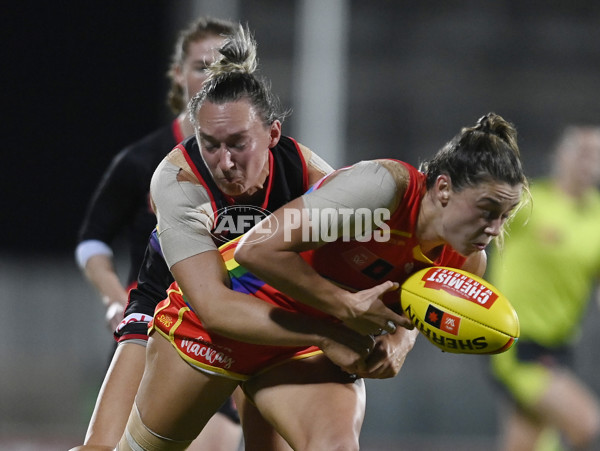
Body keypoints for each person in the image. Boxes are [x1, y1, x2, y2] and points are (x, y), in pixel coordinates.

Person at [117, 111, 528, 450]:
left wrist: (399, 345)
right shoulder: (383, 189)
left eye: (504, 217)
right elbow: (255, 250)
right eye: (486, 209)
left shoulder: (468, 262)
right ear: (443, 188)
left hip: (310, 345)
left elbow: (415, 315)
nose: (493, 227)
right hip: (234, 314)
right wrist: (343, 306)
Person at [71, 17, 246, 451]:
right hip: (149, 324)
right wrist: (115, 298)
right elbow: (92, 241)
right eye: (201, 65)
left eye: (223, 67)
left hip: (220, 331)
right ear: (178, 75)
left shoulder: (264, 163)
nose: (211, 76)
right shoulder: (142, 161)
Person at [488, 126, 600, 451]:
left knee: (529, 444)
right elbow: (475, 231)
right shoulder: (529, 202)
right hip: (515, 343)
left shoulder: (597, 217)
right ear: (560, 157)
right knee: (586, 422)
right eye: (581, 151)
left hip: (559, 347)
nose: (588, 161)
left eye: (595, 153)